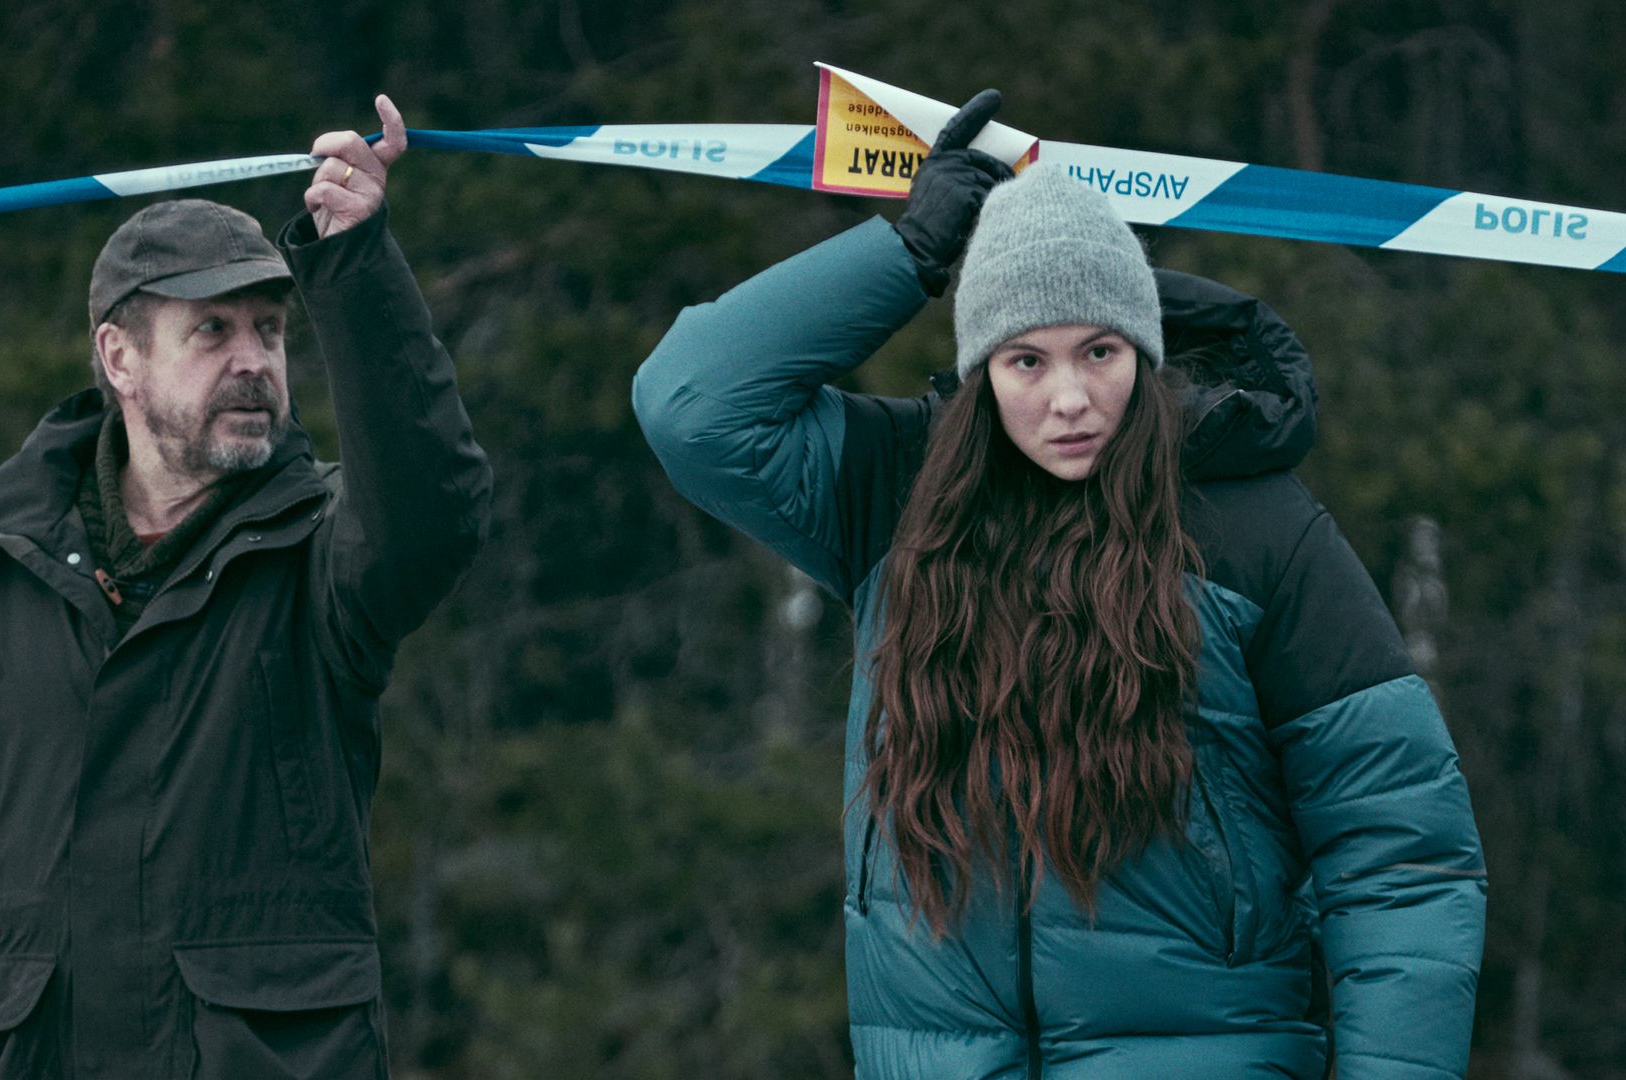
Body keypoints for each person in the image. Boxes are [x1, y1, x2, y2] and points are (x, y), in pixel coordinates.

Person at [633, 90, 1485, 1078]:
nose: (1070, 398)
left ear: (1145, 352)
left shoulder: (1252, 523)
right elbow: (692, 402)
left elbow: (1401, 852)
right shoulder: (896, 494)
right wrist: (908, 253)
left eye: (1100, 351)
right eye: (1026, 360)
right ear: (981, 371)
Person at [0, 95, 491, 1079]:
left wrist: (357, 264)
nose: (253, 362)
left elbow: (433, 509)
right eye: (211, 331)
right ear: (119, 358)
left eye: (269, 330)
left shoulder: (321, 554)